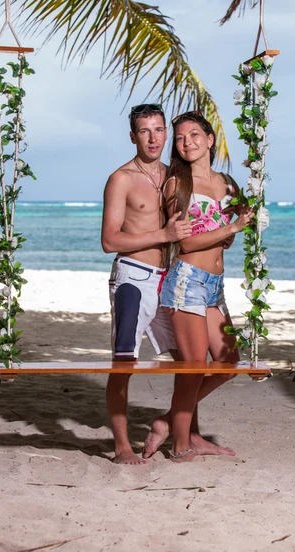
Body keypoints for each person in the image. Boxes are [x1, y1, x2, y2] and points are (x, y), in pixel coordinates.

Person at [142, 110, 254, 463]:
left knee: (229, 359)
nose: (186, 142)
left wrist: (244, 221)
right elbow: (187, 245)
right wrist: (231, 228)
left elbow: (226, 244)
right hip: (186, 283)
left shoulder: (228, 184)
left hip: (215, 285)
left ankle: (167, 420)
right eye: (180, 138)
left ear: (209, 139)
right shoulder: (179, 184)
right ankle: (180, 443)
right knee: (193, 367)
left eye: (194, 135)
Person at [101, 103, 192, 465]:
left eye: (158, 130)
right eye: (144, 131)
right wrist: (163, 233)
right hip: (133, 280)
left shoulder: (174, 177)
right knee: (123, 363)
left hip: (168, 280)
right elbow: (109, 241)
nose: (153, 138)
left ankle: (171, 427)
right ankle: (122, 447)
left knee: (191, 364)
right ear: (133, 136)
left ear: (166, 134)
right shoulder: (121, 178)